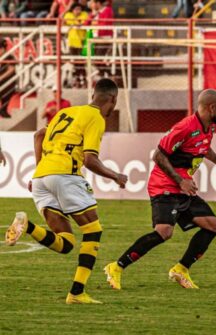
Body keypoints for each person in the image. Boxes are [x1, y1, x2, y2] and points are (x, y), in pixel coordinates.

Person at [4, 78, 128, 304]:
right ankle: (77, 293)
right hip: (65, 176)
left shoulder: (67, 111)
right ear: (113, 99)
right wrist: (116, 176)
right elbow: (90, 160)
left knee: (66, 243)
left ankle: (26, 224)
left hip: (42, 179)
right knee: (93, 231)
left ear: (93, 94)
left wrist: (40, 168)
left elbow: (38, 135)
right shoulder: (96, 118)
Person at [104, 89, 216, 290]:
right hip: (164, 185)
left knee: (212, 225)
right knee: (164, 231)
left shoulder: (208, 127)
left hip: (182, 187)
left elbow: (203, 147)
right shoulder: (185, 127)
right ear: (211, 107)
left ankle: (181, 269)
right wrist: (180, 180)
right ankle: (116, 267)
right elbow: (158, 155)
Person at [0, 38, 16, 118]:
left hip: (7, 82)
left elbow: (11, 70)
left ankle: (3, 110)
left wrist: (1, 77)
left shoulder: (8, 56)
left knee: (7, 93)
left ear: (3, 48)